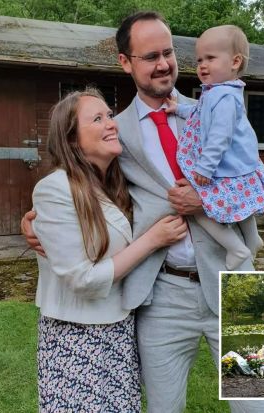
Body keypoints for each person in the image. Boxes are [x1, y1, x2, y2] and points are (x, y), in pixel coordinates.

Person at [23, 11, 264, 413]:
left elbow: (252, 177)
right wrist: (32, 218)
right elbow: (81, 182)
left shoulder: (216, 108)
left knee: (257, 404)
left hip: (233, 284)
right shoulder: (114, 132)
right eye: (149, 56)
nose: (163, 64)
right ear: (126, 62)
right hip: (161, 294)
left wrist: (205, 201)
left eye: (168, 52)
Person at [33, 88, 187, 412]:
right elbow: (83, 280)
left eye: (110, 115)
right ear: (72, 139)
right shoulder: (54, 189)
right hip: (75, 339)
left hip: (118, 332)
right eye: (98, 118)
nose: (111, 123)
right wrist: (153, 240)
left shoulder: (115, 185)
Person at [166, 24, 264, 270]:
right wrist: (179, 109)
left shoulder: (226, 98)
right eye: (199, 60)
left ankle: (236, 248)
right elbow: (198, 112)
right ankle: (252, 239)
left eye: (210, 58)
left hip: (224, 168)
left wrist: (205, 168)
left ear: (235, 62)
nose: (202, 65)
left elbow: (220, 136)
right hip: (237, 166)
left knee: (201, 209)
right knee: (244, 205)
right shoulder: (215, 92)